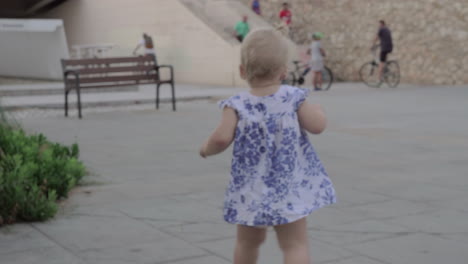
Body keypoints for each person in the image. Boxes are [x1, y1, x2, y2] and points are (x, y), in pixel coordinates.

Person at [199, 29, 336, 264]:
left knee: (246, 243)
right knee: (294, 245)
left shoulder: (236, 105)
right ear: (284, 71)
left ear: (242, 71)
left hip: (250, 190)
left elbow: (221, 139)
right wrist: (320, 112)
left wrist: (205, 149)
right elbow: (317, 126)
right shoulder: (293, 98)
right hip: (288, 187)